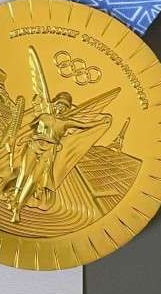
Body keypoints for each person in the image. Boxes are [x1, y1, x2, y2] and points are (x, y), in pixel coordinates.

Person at [7, 92, 111, 222]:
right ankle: (14, 199)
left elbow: (84, 125)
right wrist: (19, 137)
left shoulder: (66, 122)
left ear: (67, 109)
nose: (61, 107)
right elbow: (29, 128)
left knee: (34, 179)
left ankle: (18, 208)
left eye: (65, 106)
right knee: (24, 173)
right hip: (34, 145)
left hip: (49, 149)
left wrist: (101, 121)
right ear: (54, 105)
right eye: (60, 104)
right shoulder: (43, 116)